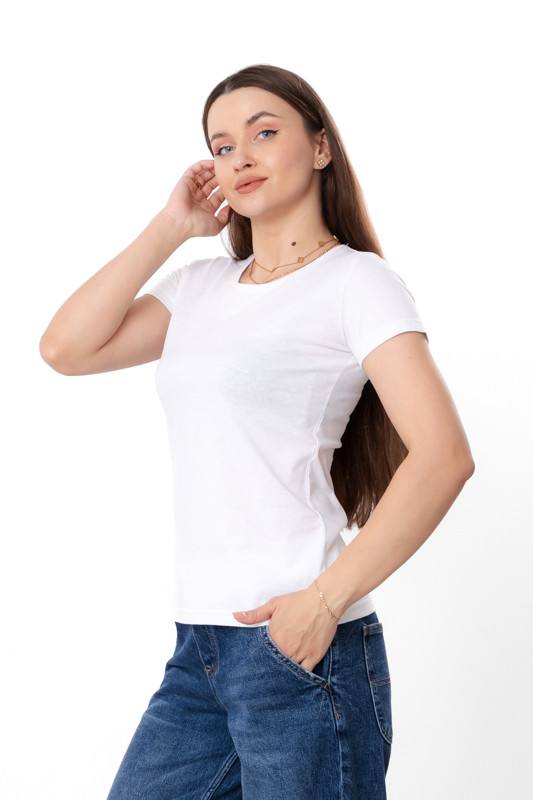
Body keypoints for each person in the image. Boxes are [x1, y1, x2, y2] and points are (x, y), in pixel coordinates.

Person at [39, 64, 474, 799]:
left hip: (301, 649)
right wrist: (172, 227)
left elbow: (444, 456)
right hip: (199, 650)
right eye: (221, 146)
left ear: (320, 148)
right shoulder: (200, 287)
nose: (238, 156)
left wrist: (323, 602)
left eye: (263, 132)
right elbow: (65, 349)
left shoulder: (356, 282)